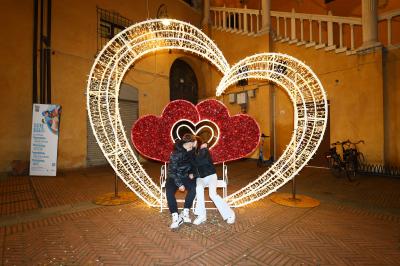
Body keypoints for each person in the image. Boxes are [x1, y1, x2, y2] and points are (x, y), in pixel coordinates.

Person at [192, 137, 235, 225]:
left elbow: (199, 162)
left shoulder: (204, 151)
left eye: (194, 142)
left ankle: (230, 213)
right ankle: (201, 215)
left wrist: (190, 154)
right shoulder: (193, 152)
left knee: (212, 194)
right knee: (199, 189)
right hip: (200, 178)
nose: (193, 144)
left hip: (211, 176)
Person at [166, 133, 197, 229]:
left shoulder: (192, 152)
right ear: (190, 143)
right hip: (173, 177)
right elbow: (171, 171)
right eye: (193, 143)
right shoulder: (176, 153)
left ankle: (185, 211)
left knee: (193, 188)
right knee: (169, 192)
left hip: (185, 176)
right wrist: (179, 184)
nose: (194, 145)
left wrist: (192, 173)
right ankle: (175, 216)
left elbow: (195, 166)